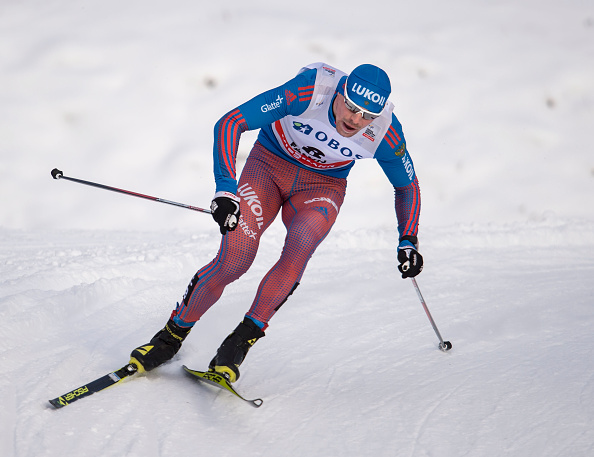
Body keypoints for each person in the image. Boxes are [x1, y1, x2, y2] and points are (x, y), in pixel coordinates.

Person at [130, 62, 424, 382]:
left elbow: (406, 186)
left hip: (320, 188)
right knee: (235, 259)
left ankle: (237, 345)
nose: (356, 120)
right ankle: (171, 337)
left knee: (300, 244)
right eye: (352, 107)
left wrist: (408, 239)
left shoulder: (386, 131)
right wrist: (225, 190)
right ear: (339, 92)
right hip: (268, 167)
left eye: (368, 115)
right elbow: (231, 123)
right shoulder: (310, 91)